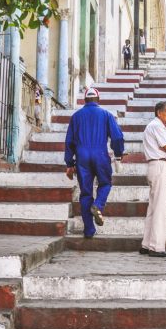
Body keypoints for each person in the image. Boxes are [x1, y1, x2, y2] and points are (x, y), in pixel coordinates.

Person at [65, 87, 125, 238]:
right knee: (105, 183)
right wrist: (118, 154)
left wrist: (69, 163)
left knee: (85, 192)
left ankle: (89, 230)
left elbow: (69, 142)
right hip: (100, 154)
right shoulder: (106, 115)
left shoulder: (76, 116)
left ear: (85, 100)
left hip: (82, 157)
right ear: (98, 100)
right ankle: (97, 205)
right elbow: (117, 138)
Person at [140, 101, 166, 258]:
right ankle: (156, 247)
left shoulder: (153, 125)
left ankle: (147, 244)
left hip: (155, 166)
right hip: (160, 165)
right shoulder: (157, 126)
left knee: (153, 207)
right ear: (159, 112)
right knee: (159, 208)